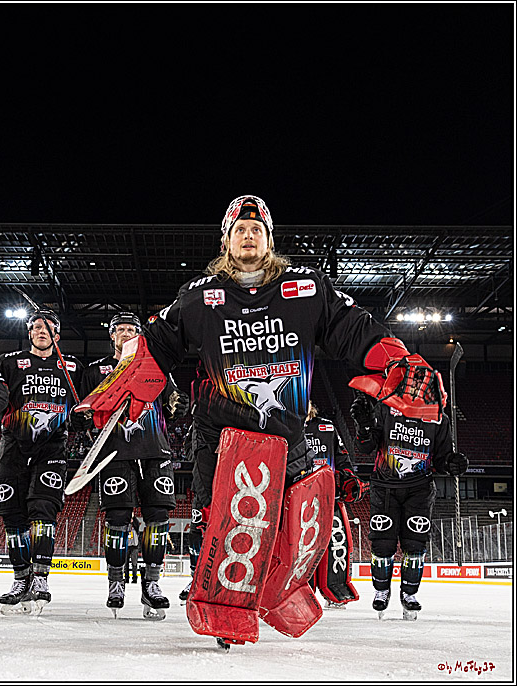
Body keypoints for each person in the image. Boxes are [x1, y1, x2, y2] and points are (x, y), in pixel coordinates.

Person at [76, 195, 446, 647]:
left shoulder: (307, 286)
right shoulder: (197, 295)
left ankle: (279, 596)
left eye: (257, 229)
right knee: (220, 523)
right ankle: (220, 609)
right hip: (219, 433)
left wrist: (398, 361)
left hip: (286, 432)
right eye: (239, 229)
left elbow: (356, 329)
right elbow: (155, 346)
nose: (248, 236)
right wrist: (117, 387)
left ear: (269, 239)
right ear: (225, 240)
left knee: (289, 528)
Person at [77, 312, 188, 619]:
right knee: (117, 519)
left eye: (131, 329)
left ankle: (152, 585)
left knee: (158, 518)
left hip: (155, 450)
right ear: (111, 335)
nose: (125, 333)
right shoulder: (94, 371)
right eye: (120, 329)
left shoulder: (155, 365)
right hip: (114, 454)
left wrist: (178, 403)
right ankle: (115, 583)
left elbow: (172, 403)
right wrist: (83, 419)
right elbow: (86, 413)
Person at [0, 309, 82, 615]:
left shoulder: (72, 367)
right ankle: (21, 578)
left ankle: (40, 578)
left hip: (52, 448)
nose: (42, 330)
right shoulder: (8, 362)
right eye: (36, 326)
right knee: (13, 517)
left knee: (43, 511)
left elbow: (86, 407)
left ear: (58, 335)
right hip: (13, 447)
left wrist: (82, 418)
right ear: (29, 332)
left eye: (48, 327)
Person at [351, 390, 465, 619]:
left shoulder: (438, 417)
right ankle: (381, 591)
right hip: (385, 487)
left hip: (419, 490)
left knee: (415, 544)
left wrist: (452, 462)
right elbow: (365, 447)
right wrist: (363, 426)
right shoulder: (386, 407)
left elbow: (442, 457)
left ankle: (410, 594)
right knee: (382, 545)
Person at [303, 401, 368, 607]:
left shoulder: (327, 427)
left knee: (337, 542)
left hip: (328, 497)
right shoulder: (283, 426)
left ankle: (336, 588)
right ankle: (302, 591)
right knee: (301, 548)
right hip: (297, 499)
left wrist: (349, 478)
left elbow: (342, 460)